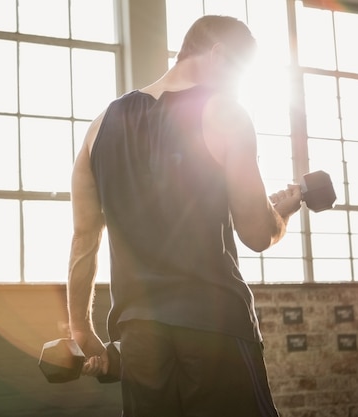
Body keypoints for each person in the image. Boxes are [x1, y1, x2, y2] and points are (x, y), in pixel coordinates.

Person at [66, 15, 301, 417]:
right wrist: (282, 214)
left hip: (140, 336)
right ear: (219, 54)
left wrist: (80, 330)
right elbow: (257, 234)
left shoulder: (98, 127)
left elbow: (83, 241)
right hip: (215, 327)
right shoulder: (226, 113)